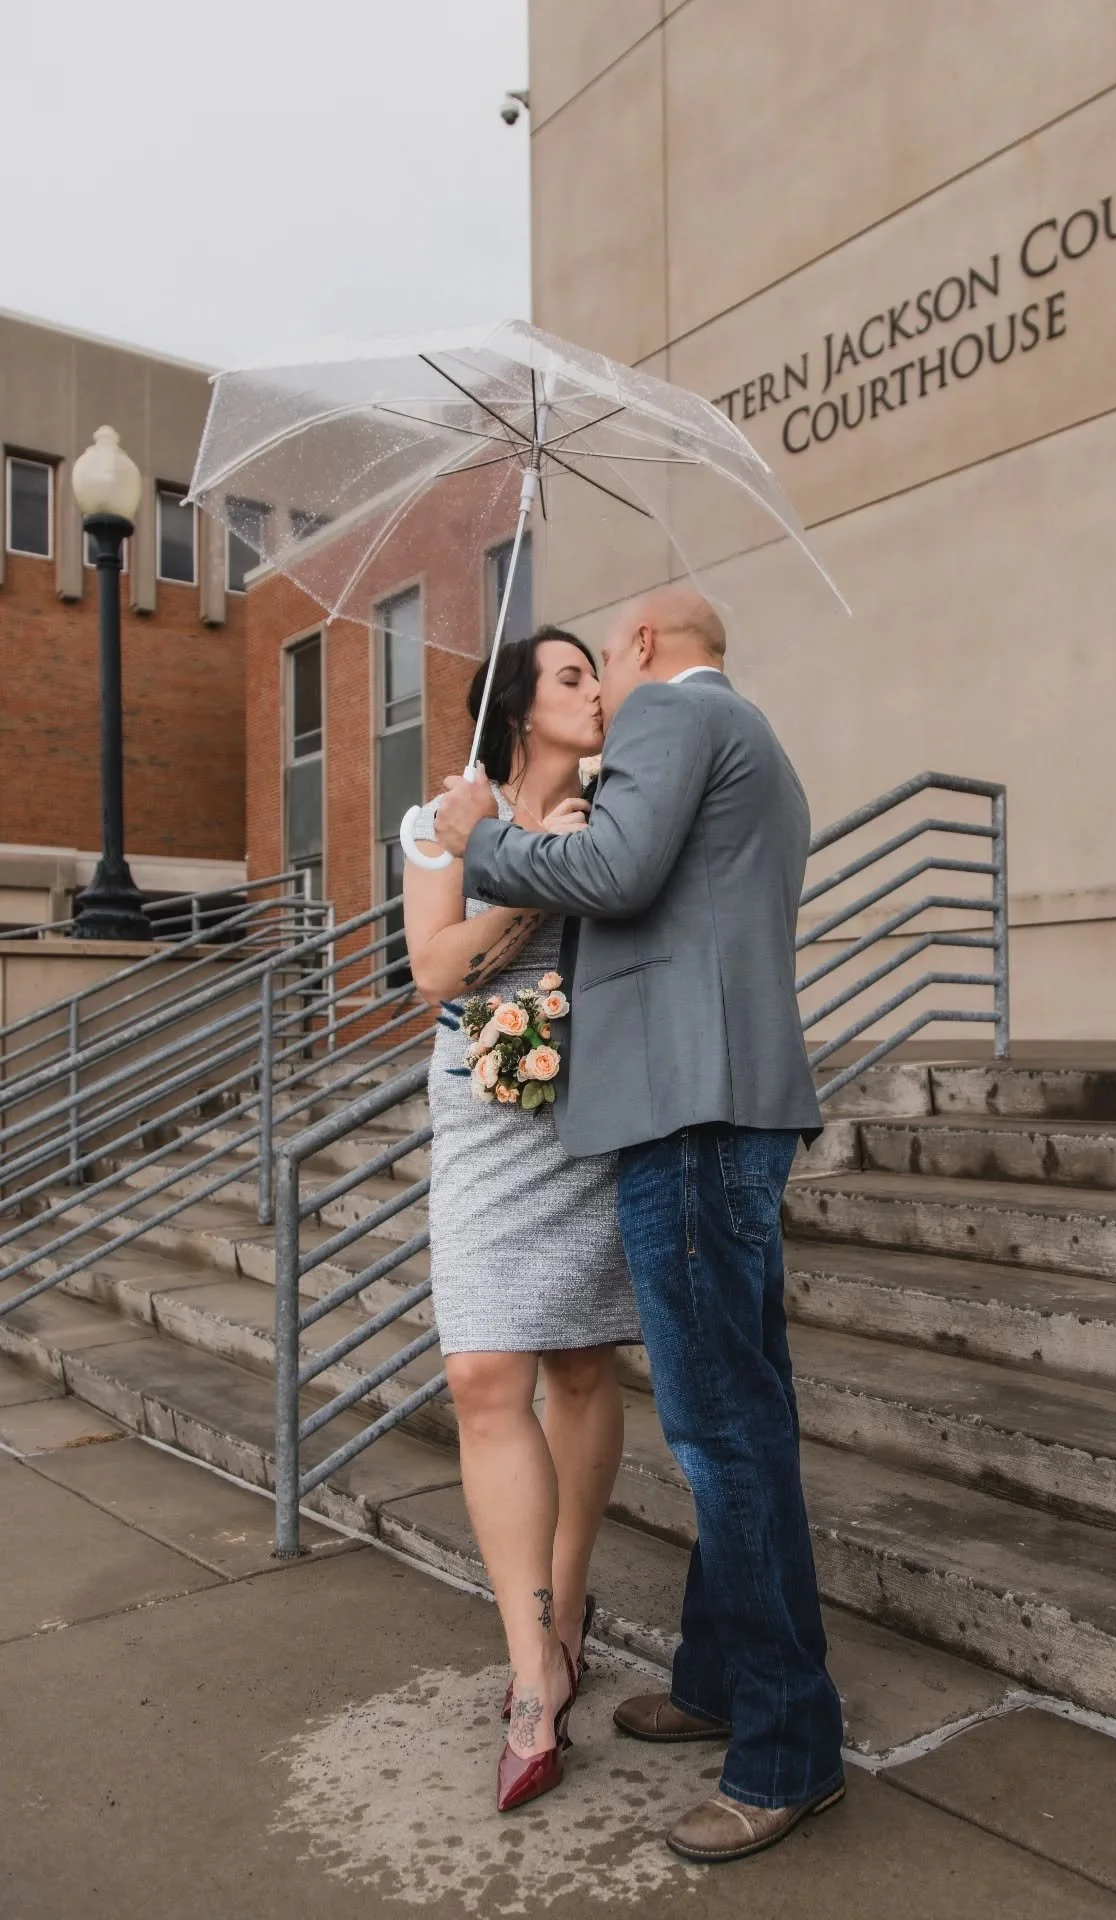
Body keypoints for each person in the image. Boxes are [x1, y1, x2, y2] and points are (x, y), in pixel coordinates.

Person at [432, 585, 846, 1866]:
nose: (606, 683)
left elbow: (614, 870)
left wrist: (481, 838)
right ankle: (720, 1676)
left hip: (691, 1113)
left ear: (651, 644)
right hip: (726, 1105)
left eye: (608, 654)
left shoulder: (669, 716)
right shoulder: (760, 745)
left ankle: (786, 1752)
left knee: (725, 1436)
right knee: (743, 1408)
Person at [404, 626, 641, 1816]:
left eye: (598, 672)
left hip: (583, 1106)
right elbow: (435, 972)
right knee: (483, 1375)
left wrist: (563, 854)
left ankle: (567, 1598)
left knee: (583, 1370)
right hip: (485, 1117)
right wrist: (521, 871)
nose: (598, 690)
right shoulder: (447, 815)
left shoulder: (621, 808)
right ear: (518, 704)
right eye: (572, 676)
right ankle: (533, 1668)